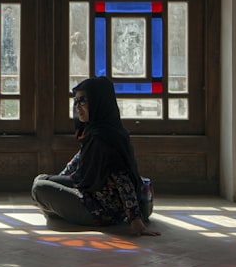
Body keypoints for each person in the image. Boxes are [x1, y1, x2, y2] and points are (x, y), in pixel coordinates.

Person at [31, 77, 159, 235]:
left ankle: (57, 210)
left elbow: (123, 179)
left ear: (99, 102)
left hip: (101, 210)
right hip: (91, 195)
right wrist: (58, 186)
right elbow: (75, 165)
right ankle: (56, 208)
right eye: (76, 101)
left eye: (83, 101)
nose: (78, 107)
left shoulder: (107, 138)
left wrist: (136, 220)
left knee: (39, 188)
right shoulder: (95, 132)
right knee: (42, 179)